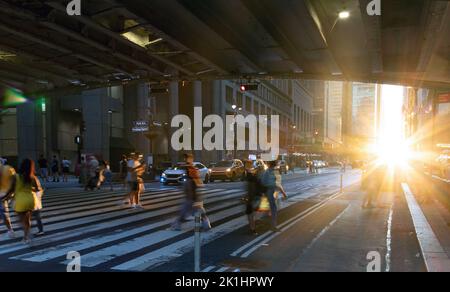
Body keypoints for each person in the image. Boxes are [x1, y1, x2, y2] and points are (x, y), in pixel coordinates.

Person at [3, 159, 43, 244]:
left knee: (21, 221)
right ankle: (26, 237)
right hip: (31, 200)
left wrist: (5, 197)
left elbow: (11, 190)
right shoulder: (33, 177)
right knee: (27, 220)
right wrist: (29, 188)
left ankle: (27, 236)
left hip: (20, 201)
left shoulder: (16, 177)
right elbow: (38, 189)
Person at [171, 154, 211, 231]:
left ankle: (177, 225)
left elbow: (191, 186)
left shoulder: (191, 169)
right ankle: (206, 224)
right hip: (195, 196)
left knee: (184, 212)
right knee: (200, 212)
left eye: (185, 158)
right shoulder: (191, 168)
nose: (184, 160)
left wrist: (191, 197)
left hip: (191, 198)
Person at [262, 161, 282, 232]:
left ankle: (271, 224)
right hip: (269, 191)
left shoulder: (268, 172)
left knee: (271, 208)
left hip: (270, 191)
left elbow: (264, 182)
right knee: (273, 208)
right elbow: (264, 182)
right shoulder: (269, 172)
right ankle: (273, 226)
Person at [245, 163, 265, 235]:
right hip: (257, 198)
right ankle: (253, 228)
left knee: (250, 215)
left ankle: (253, 229)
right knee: (252, 214)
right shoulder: (258, 178)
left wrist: (249, 199)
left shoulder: (252, 180)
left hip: (253, 198)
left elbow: (251, 190)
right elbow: (262, 189)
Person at [0, 161, 15, 238]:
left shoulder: (7, 169)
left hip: (3, 195)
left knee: (3, 213)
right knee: (3, 213)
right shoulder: (9, 168)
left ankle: (10, 230)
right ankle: (10, 230)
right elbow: (15, 181)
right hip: (6, 194)